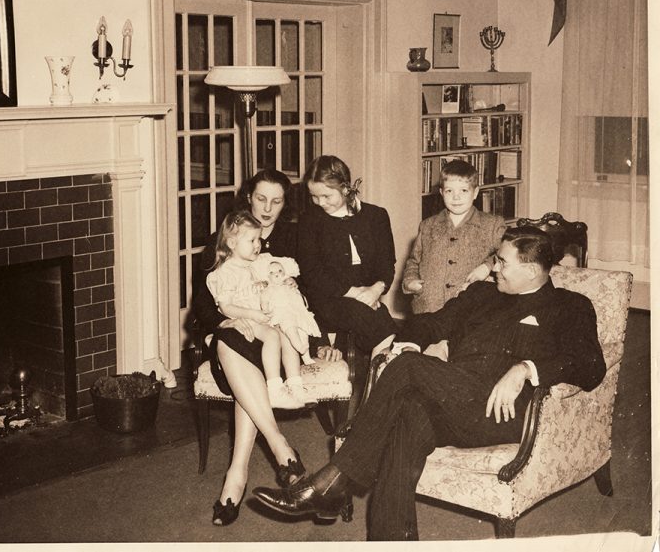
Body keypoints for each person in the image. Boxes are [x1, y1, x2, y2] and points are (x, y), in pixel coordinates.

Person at [253, 226, 606, 541]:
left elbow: (591, 366)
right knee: (407, 414)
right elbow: (430, 323)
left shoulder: (569, 306)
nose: (493, 266)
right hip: (453, 397)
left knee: (408, 369)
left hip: (500, 413)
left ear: (531, 271)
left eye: (501, 261)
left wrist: (525, 369)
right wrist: (409, 341)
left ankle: (333, 483)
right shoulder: (482, 294)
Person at [192, 169, 341, 527]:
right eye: (261, 199)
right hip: (235, 336)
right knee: (230, 342)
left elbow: (309, 296)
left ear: (285, 204)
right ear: (248, 197)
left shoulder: (293, 240)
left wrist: (320, 341)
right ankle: (283, 453)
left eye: (276, 201)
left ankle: (237, 475)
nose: (267, 208)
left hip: (279, 339)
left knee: (246, 369)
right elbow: (203, 304)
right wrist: (224, 321)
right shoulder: (223, 240)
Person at [206, 210, 317, 410]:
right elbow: (225, 306)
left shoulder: (258, 263)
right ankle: (274, 389)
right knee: (274, 336)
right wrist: (253, 314)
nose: (258, 244)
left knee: (288, 336)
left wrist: (288, 280)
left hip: (263, 316)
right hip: (243, 319)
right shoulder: (226, 272)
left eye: (259, 239)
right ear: (232, 243)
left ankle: (295, 384)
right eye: (252, 240)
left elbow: (284, 270)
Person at [298, 155, 398, 357]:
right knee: (386, 331)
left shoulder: (376, 216)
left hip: (368, 299)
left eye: (326, 196)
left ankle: (375, 383)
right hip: (328, 301)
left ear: (345, 188)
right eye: (314, 196)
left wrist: (375, 290)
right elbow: (312, 275)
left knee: (383, 329)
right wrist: (357, 294)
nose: (320, 203)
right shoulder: (309, 221)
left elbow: (387, 264)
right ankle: (377, 385)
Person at [403, 159, 506, 314]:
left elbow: (508, 255)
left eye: (464, 191)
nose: (456, 197)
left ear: (475, 193)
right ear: (441, 193)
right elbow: (413, 261)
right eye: (449, 191)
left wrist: (487, 266)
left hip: (471, 310)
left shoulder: (492, 225)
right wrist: (410, 282)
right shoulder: (428, 225)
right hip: (429, 307)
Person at [260, 258, 321, 367]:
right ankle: (299, 347)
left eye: (280, 270)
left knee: (303, 332)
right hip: (282, 314)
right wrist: (265, 310)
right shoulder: (270, 289)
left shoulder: (289, 285)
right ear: (268, 277)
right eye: (272, 272)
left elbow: (299, 298)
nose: (277, 274)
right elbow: (264, 300)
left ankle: (306, 356)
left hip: (296, 312)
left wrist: (294, 287)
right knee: (290, 328)